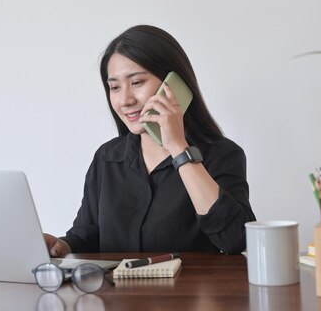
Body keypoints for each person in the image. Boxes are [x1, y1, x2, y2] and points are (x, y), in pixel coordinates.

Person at [44, 25, 255, 256]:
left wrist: (178, 148)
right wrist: (61, 246)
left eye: (136, 83)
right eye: (114, 87)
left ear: (174, 85)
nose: (124, 100)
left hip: (187, 292)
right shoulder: (107, 157)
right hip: (118, 292)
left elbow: (235, 239)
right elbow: (87, 235)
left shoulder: (221, 155)